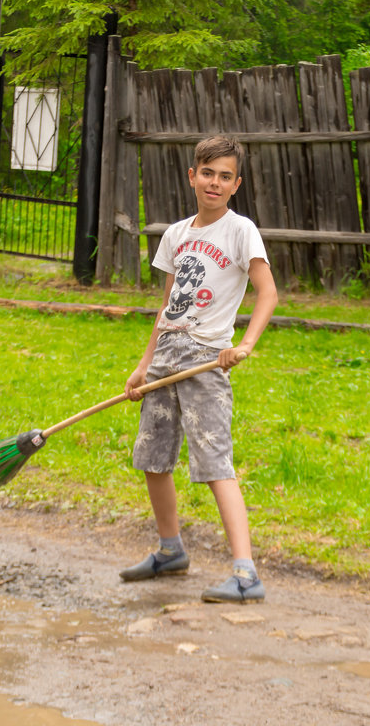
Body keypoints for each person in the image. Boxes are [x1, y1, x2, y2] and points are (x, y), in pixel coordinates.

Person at [120, 134, 278, 604]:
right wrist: (144, 363)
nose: (214, 182)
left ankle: (246, 574)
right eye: (207, 173)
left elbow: (267, 293)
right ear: (193, 176)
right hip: (167, 357)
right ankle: (171, 551)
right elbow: (168, 303)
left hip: (206, 360)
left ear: (236, 184)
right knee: (152, 457)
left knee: (214, 463)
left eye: (224, 176)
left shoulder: (240, 230)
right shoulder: (176, 234)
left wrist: (244, 345)